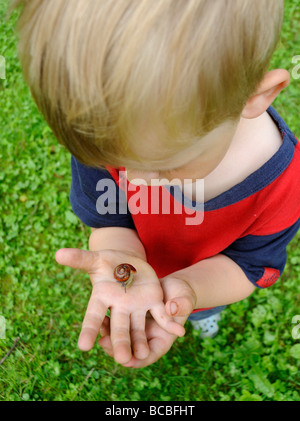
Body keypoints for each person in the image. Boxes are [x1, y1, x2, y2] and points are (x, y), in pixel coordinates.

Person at [10, 0, 300, 368]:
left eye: (164, 166)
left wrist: (190, 291)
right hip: (146, 265)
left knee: (197, 309)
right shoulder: (116, 135)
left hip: (206, 284)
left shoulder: (283, 186)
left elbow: (249, 265)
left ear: (255, 97)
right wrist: (125, 260)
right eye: (117, 162)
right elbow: (111, 219)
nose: (133, 180)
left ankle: (199, 315)